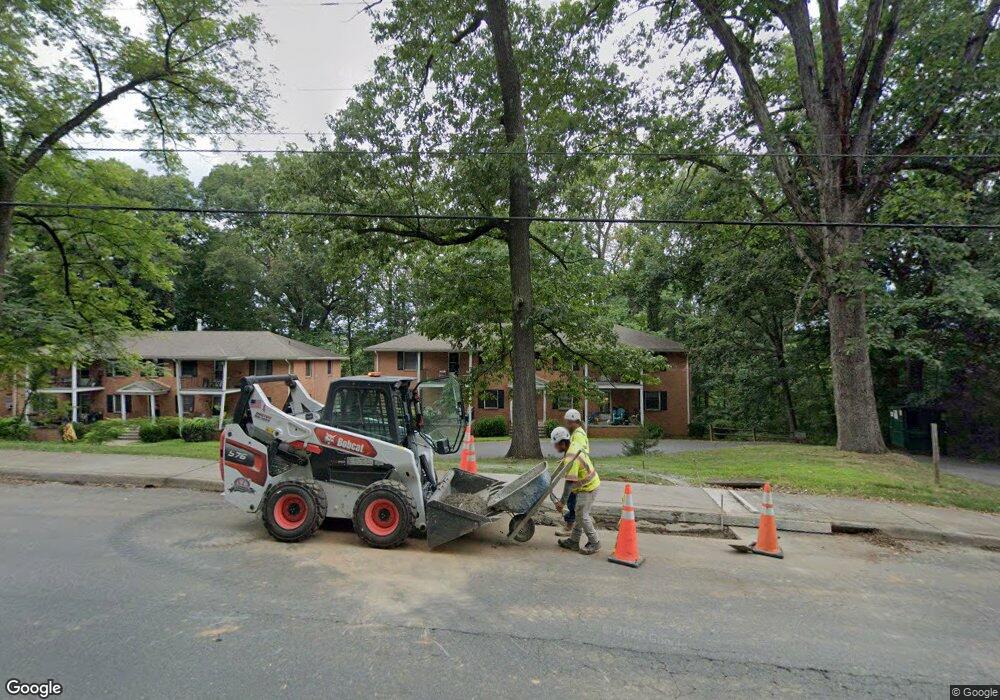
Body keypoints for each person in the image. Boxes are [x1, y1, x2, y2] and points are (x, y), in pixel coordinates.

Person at [550, 426, 601, 554]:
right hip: (589, 485)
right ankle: (574, 541)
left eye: (556, 445)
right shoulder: (573, 445)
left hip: (588, 488)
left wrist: (561, 502)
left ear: (562, 443)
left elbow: (569, 483)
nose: (555, 447)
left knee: (582, 515)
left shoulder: (571, 457)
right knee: (579, 514)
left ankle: (595, 543)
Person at [555, 408, 588, 537]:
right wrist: (565, 459)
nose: (567, 425)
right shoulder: (578, 432)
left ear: (575, 422)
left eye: (568, 423)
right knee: (573, 500)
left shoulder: (578, 435)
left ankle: (570, 526)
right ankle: (572, 525)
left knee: (572, 500)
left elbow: (576, 453)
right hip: (580, 470)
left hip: (580, 474)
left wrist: (569, 460)